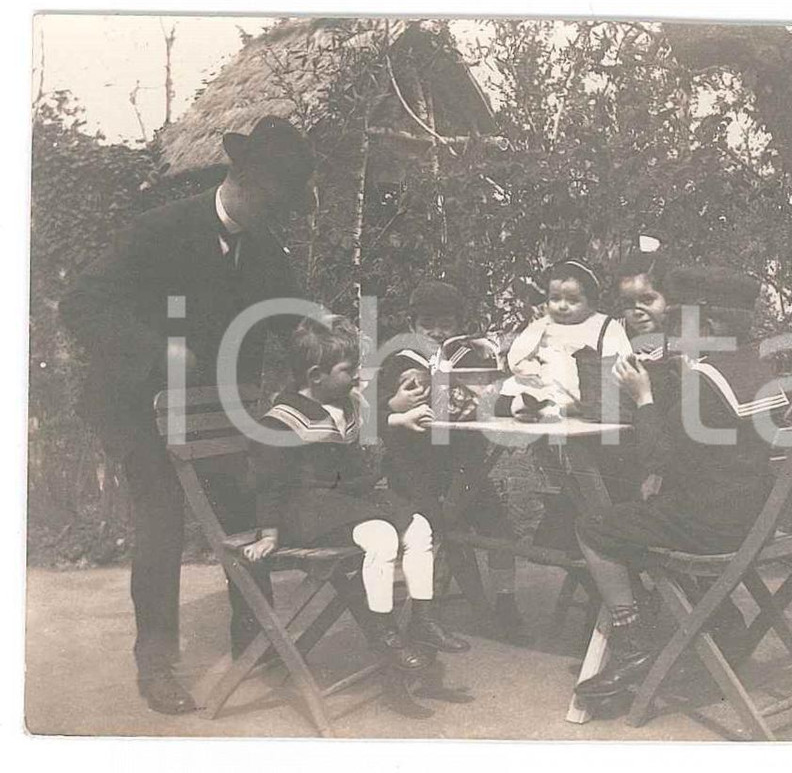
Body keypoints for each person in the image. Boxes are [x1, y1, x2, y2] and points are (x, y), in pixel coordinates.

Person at [59, 116, 314, 714]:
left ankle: (255, 639)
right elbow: (81, 303)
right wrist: (157, 351)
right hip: (137, 403)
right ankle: (156, 664)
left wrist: (332, 352)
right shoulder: (159, 229)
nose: (277, 216)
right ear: (242, 180)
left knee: (244, 509)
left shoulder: (264, 245)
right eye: (273, 201)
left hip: (213, 408)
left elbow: (294, 320)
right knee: (162, 519)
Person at [573, 264, 789, 702]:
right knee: (650, 506)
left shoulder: (705, 382)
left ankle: (632, 638)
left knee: (595, 526)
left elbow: (658, 457)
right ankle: (720, 620)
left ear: (708, 326)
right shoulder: (756, 368)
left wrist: (643, 397)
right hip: (753, 520)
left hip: (709, 529)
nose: (674, 332)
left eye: (681, 323)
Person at [243, 314, 469, 671]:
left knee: (420, 527)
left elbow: (375, 419)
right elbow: (268, 481)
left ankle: (422, 620)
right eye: (349, 370)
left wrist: (400, 417)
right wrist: (269, 533)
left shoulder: (341, 401)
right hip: (304, 509)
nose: (356, 377)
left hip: (347, 501)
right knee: (382, 536)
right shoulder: (282, 419)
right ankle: (384, 633)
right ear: (316, 376)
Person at [375, 281, 531, 642]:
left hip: (464, 468)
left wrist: (512, 402)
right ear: (412, 325)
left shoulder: (469, 358)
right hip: (415, 473)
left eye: (445, 324)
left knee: (499, 527)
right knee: (447, 525)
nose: (436, 332)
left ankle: (505, 600)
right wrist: (393, 404)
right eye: (426, 324)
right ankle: (476, 609)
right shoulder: (400, 361)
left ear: (459, 325)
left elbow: (489, 396)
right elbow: (377, 410)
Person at [500, 260, 632, 421]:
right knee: (513, 392)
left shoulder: (605, 325)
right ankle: (528, 406)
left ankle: (542, 409)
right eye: (555, 299)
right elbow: (518, 355)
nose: (562, 306)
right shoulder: (544, 324)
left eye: (573, 300)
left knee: (586, 399)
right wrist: (530, 368)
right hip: (544, 385)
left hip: (585, 392)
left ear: (591, 303)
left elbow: (622, 362)